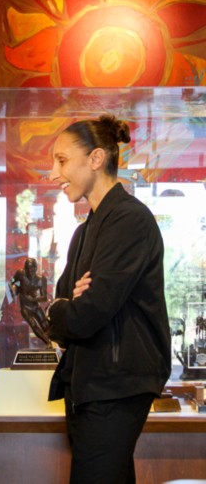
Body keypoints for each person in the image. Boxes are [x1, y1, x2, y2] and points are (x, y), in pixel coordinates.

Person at [47, 115, 171, 484]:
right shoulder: (84, 232)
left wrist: (69, 307)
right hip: (89, 382)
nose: (53, 173)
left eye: (62, 160)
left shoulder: (130, 220)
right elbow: (61, 310)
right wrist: (65, 306)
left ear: (97, 159)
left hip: (116, 383)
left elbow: (87, 313)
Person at [10, 257, 51, 346]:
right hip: (25, 307)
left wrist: (33, 299)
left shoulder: (41, 279)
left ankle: (52, 340)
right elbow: (12, 281)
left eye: (32, 268)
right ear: (25, 268)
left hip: (35, 306)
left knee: (45, 325)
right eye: (28, 268)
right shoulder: (20, 273)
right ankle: (47, 342)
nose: (30, 271)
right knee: (33, 324)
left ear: (36, 268)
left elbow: (44, 297)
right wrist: (16, 288)